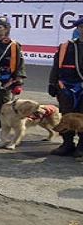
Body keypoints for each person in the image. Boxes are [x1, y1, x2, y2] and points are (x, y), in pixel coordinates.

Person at [48, 17, 83, 158]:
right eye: (81, 26)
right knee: (66, 116)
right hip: (66, 88)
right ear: (77, 28)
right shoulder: (65, 46)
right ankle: (67, 143)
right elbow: (57, 66)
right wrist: (52, 83)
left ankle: (82, 146)